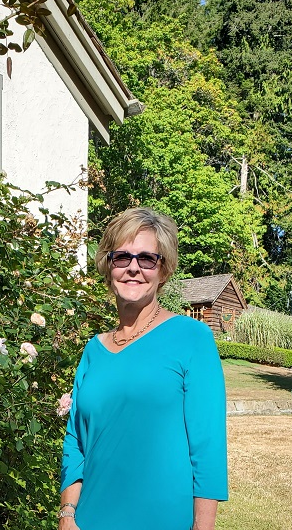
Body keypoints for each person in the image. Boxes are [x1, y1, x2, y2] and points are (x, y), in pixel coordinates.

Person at [58, 207, 228, 530]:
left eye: (147, 259)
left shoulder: (193, 339)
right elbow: (75, 442)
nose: (133, 268)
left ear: (163, 270)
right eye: (122, 257)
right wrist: (67, 515)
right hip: (90, 521)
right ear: (109, 267)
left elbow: (208, 451)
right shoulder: (93, 351)